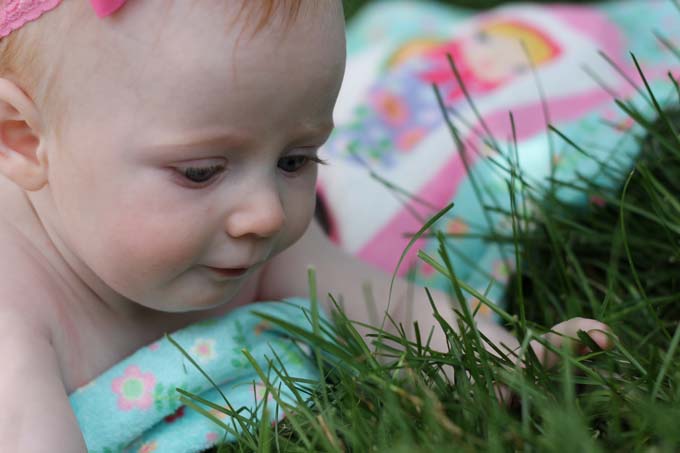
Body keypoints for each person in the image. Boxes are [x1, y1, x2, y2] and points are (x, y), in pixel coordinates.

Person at [0, 0, 611, 451]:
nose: (267, 213)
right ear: (24, 140)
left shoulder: (250, 244)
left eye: (296, 160)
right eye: (201, 172)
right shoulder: (17, 298)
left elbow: (391, 307)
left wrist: (495, 362)